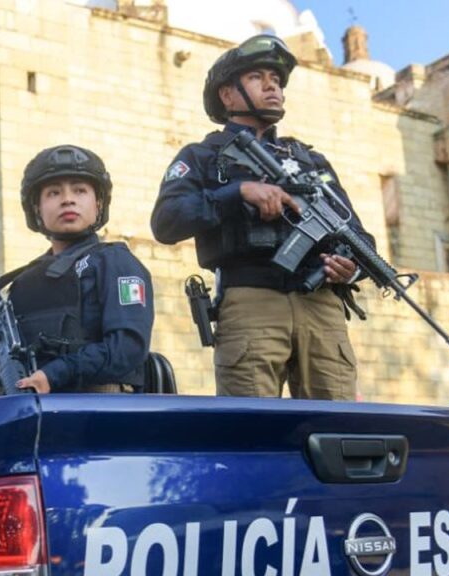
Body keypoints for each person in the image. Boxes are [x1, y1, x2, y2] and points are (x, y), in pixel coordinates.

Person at [150, 33, 374, 401]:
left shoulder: (309, 160)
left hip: (322, 304)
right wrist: (238, 193)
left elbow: (358, 235)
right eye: (257, 77)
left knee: (337, 424)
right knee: (251, 424)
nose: (272, 86)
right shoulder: (203, 156)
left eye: (277, 81)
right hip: (251, 300)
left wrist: (350, 268)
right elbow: (166, 221)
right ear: (227, 95)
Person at [0, 145, 154, 394]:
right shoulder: (23, 283)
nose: (68, 199)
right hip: (30, 405)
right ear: (37, 208)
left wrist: (56, 374)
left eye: (80, 190)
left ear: (98, 203)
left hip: (100, 404)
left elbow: (127, 349)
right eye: (54, 193)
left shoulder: (116, 263)